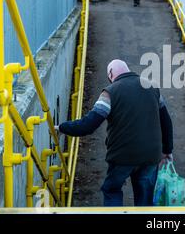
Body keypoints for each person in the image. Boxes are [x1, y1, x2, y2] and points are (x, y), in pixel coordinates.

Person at [55, 59, 174, 206]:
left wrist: (62, 127)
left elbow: (88, 125)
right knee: (145, 198)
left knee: (112, 190)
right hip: (150, 156)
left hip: (122, 156)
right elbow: (166, 122)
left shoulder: (110, 93)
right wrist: (167, 150)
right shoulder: (152, 88)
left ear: (110, 74)